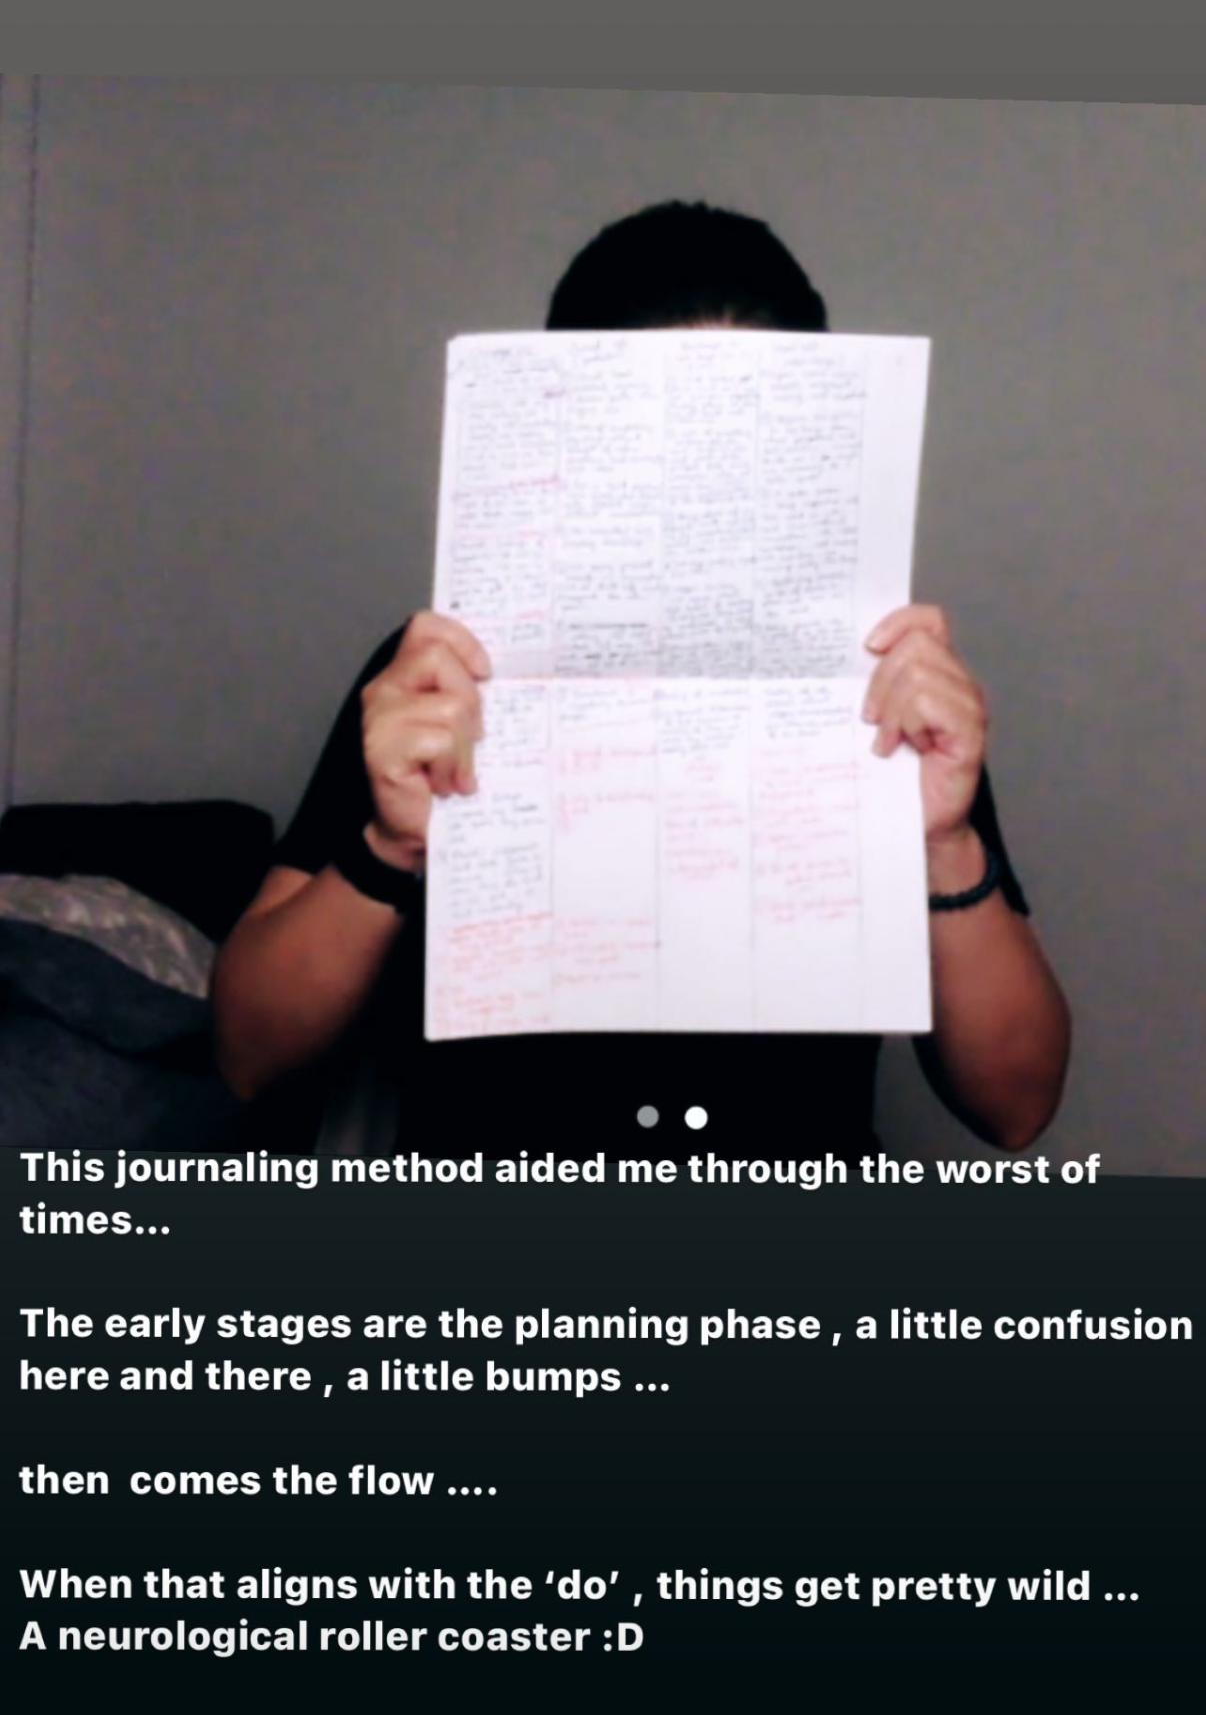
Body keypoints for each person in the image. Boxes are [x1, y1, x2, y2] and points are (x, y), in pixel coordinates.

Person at [212, 202, 1070, 1155]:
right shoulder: (440, 674)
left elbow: (1017, 1104)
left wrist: (946, 845)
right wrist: (388, 846)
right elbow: (249, 1056)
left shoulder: (883, 673)